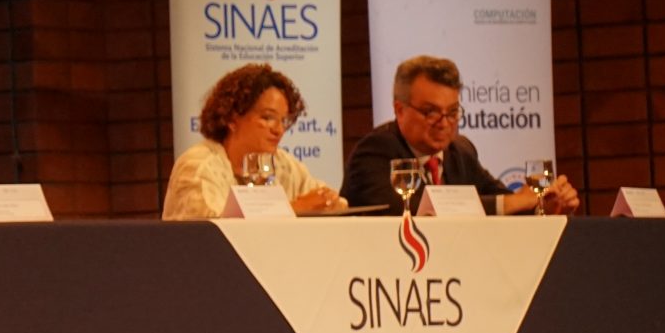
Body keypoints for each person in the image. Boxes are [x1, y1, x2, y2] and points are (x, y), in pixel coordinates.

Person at [344, 55, 580, 215]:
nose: (444, 123)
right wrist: (514, 202)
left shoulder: (460, 150)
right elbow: (410, 209)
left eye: (453, 112)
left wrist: (544, 205)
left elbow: (504, 201)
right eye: (431, 112)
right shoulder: (374, 151)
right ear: (399, 110)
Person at [163, 63, 345, 220]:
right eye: (268, 118)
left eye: (283, 121)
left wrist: (328, 202)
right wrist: (294, 209)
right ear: (232, 118)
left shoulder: (283, 164)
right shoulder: (198, 166)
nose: (279, 130)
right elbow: (215, 233)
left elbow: (335, 203)